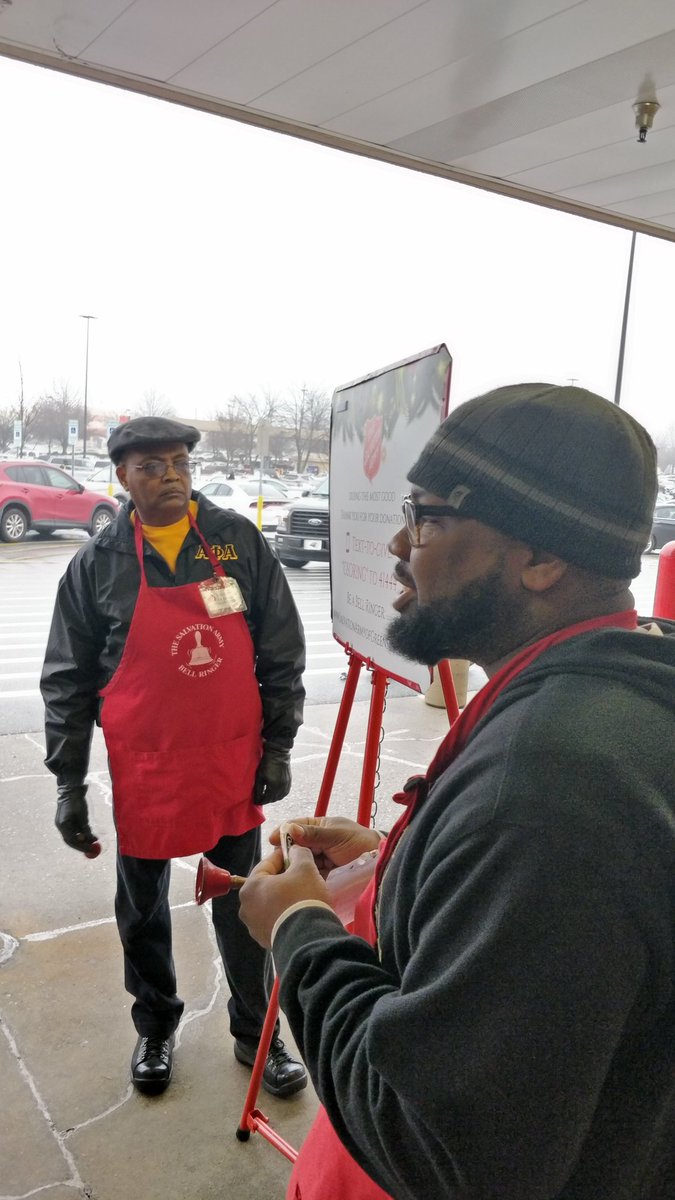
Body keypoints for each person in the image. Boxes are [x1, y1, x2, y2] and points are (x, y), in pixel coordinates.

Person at [239, 384, 675, 1200]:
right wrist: (414, 857)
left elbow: (437, 1146)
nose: (400, 543)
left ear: (542, 557)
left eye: (429, 517)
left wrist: (296, 932)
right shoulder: (607, 689)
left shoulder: (549, 788)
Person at [41, 416, 307, 1099]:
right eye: (152, 466)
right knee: (143, 906)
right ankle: (155, 1024)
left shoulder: (234, 542)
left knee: (244, 897)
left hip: (227, 762)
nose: (171, 475)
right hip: (146, 767)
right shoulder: (98, 563)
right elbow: (68, 679)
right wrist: (68, 783)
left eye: (180, 461)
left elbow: (279, 647)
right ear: (122, 477)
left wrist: (277, 747)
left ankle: (256, 1032)